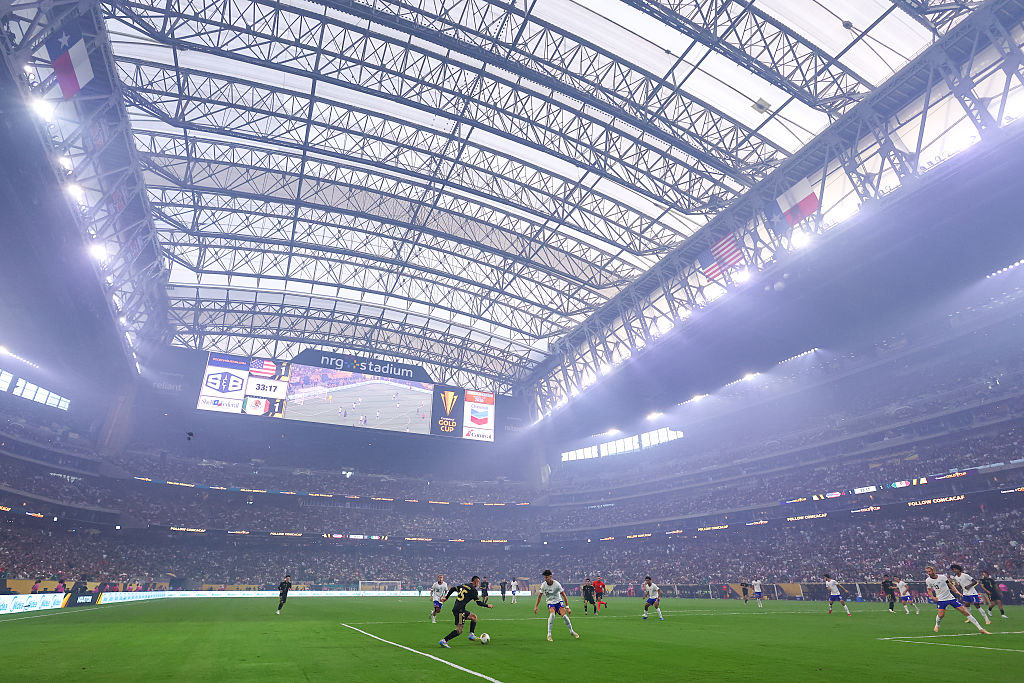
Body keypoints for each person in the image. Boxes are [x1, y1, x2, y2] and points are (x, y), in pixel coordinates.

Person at [925, 565, 989, 634]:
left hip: (950, 598)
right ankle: (937, 625)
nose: (928, 573)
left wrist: (956, 591)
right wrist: (933, 597)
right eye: (927, 572)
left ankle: (981, 629)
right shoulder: (928, 580)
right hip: (941, 599)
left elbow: (950, 585)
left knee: (965, 612)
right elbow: (929, 590)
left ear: (933, 571)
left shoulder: (943, 577)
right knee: (941, 615)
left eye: (929, 571)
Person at [438, 576, 493, 648]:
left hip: (459, 609)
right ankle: (444, 640)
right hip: (460, 611)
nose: (478, 584)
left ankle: (471, 635)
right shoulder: (473, 590)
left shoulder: (464, 585)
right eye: (478, 582)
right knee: (459, 630)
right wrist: (487, 605)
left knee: (474, 617)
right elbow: (479, 603)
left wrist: (446, 597)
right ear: (475, 582)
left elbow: (452, 588)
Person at [534, 569, 579, 642]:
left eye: (547, 577)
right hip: (550, 602)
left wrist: (567, 607)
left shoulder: (557, 584)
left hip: (558, 601)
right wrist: (536, 606)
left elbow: (564, 596)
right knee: (552, 615)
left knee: (564, 616)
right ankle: (549, 635)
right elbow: (539, 596)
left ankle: (571, 631)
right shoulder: (543, 585)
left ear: (550, 576)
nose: (545, 579)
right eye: (545, 577)